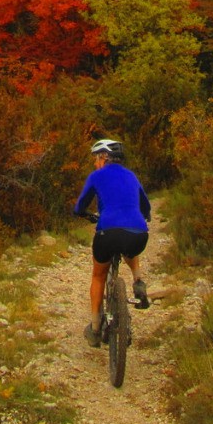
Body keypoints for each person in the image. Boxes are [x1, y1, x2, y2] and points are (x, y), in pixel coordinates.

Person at [73, 138, 150, 347]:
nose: (94, 163)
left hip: (107, 232)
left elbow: (80, 205)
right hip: (138, 233)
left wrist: (82, 213)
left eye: (96, 158)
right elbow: (146, 205)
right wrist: (145, 218)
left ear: (104, 157)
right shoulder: (132, 176)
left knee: (99, 275)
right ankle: (138, 281)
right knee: (129, 245)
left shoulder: (97, 176)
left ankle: (96, 328)